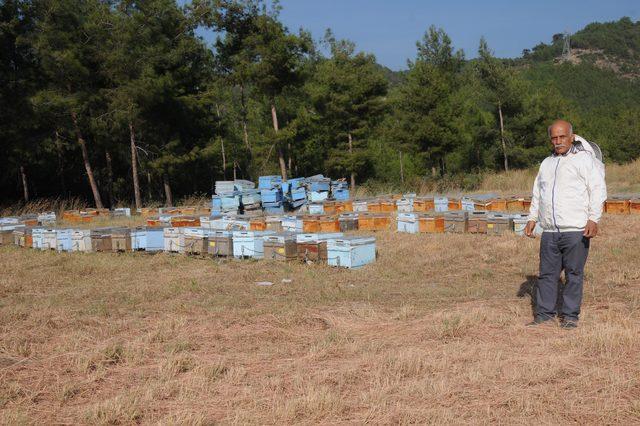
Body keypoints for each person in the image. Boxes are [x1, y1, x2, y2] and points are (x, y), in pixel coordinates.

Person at [524, 120, 607, 328]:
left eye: (562, 137)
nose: (558, 141)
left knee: (574, 274)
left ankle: (570, 317)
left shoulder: (584, 161)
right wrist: (532, 218)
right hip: (550, 231)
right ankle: (544, 315)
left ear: (572, 137)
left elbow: (597, 190)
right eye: (554, 137)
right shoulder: (546, 163)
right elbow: (538, 194)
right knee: (547, 275)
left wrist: (593, 219)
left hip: (576, 230)